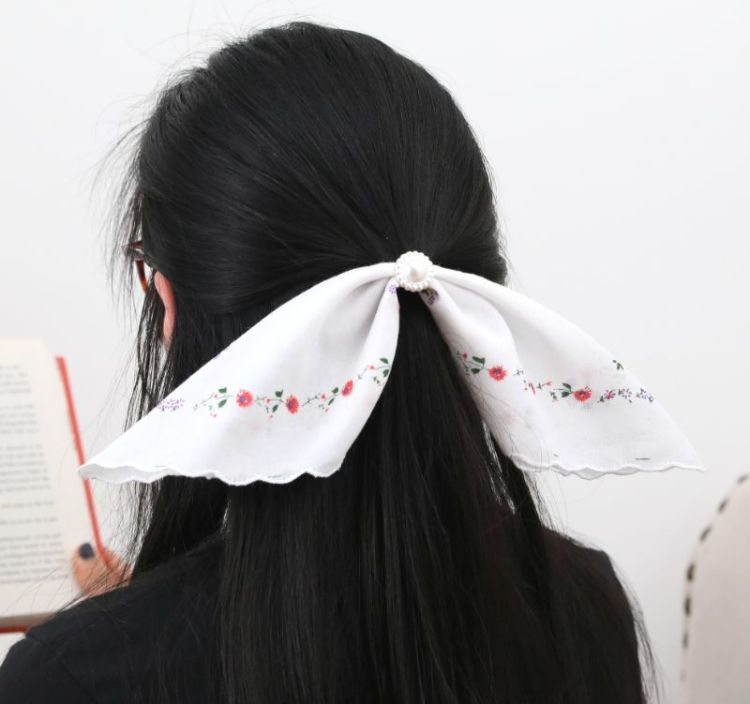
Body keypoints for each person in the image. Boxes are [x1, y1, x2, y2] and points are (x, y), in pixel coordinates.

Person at [0, 20, 656, 703]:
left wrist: (106, 650)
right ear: (472, 300)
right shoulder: (586, 607)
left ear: (169, 304)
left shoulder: (74, 677)